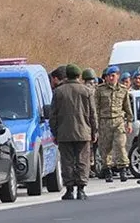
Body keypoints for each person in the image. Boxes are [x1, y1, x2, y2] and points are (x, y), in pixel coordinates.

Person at [50, 64, 98, 200]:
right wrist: (95, 131)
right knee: (83, 160)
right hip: (84, 132)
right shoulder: (86, 91)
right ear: (78, 75)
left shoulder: (59, 92)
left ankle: (69, 190)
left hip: (64, 133)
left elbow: (53, 115)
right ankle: (81, 189)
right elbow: (92, 114)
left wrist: (55, 132)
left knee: (67, 161)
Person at [95, 66, 134, 182]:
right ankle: (108, 170)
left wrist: (129, 122)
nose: (111, 78)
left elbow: (127, 107)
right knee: (105, 148)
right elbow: (96, 107)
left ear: (117, 76)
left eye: (113, 76)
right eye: (108, 76)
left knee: (121, 145)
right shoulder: (100, 90)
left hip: (119, 121)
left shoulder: (123, 90)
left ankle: (123, 169)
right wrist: (96, 124)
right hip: (104, 121)